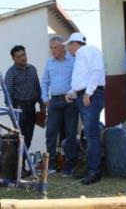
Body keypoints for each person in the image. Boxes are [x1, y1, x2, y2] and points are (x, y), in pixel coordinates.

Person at [65, 32, 105, 185]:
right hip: (84, 96)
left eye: (69, 45)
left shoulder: (89, 50)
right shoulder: (80, 57)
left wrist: (88, 92)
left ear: (74, 44)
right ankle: (92, 169)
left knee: (91, 134)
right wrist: (72, 92)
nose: (69, 49)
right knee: (89, 134)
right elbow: (83, 79)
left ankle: (94, 171)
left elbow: (97, 70)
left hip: (91, 96)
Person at [41, 35, 78, 176]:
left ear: (63, 47)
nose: (53, 51)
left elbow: (79, 79)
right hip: (54, 102)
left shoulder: (73, 61)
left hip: (70, 101)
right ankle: (50, 166)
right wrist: (45, 98)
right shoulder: (49, 63)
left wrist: (74, 95)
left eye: (55, 48)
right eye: (51, 48)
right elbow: (44, 82)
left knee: (70, 134)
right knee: (50, 134)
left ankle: (69, 167)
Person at [5, 45, 45, 149]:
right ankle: (18, 164)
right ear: (13, 58)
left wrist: (41, 104)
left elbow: (37, 88)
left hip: (31, 108)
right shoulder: (11, 73)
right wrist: (12, 114)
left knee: (28, 139)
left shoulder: (32, 69)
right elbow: (8, 95)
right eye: (19, 56)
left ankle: (21, 163)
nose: (23, 58)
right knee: (19, 139)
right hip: (19, 108)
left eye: (24, 54)